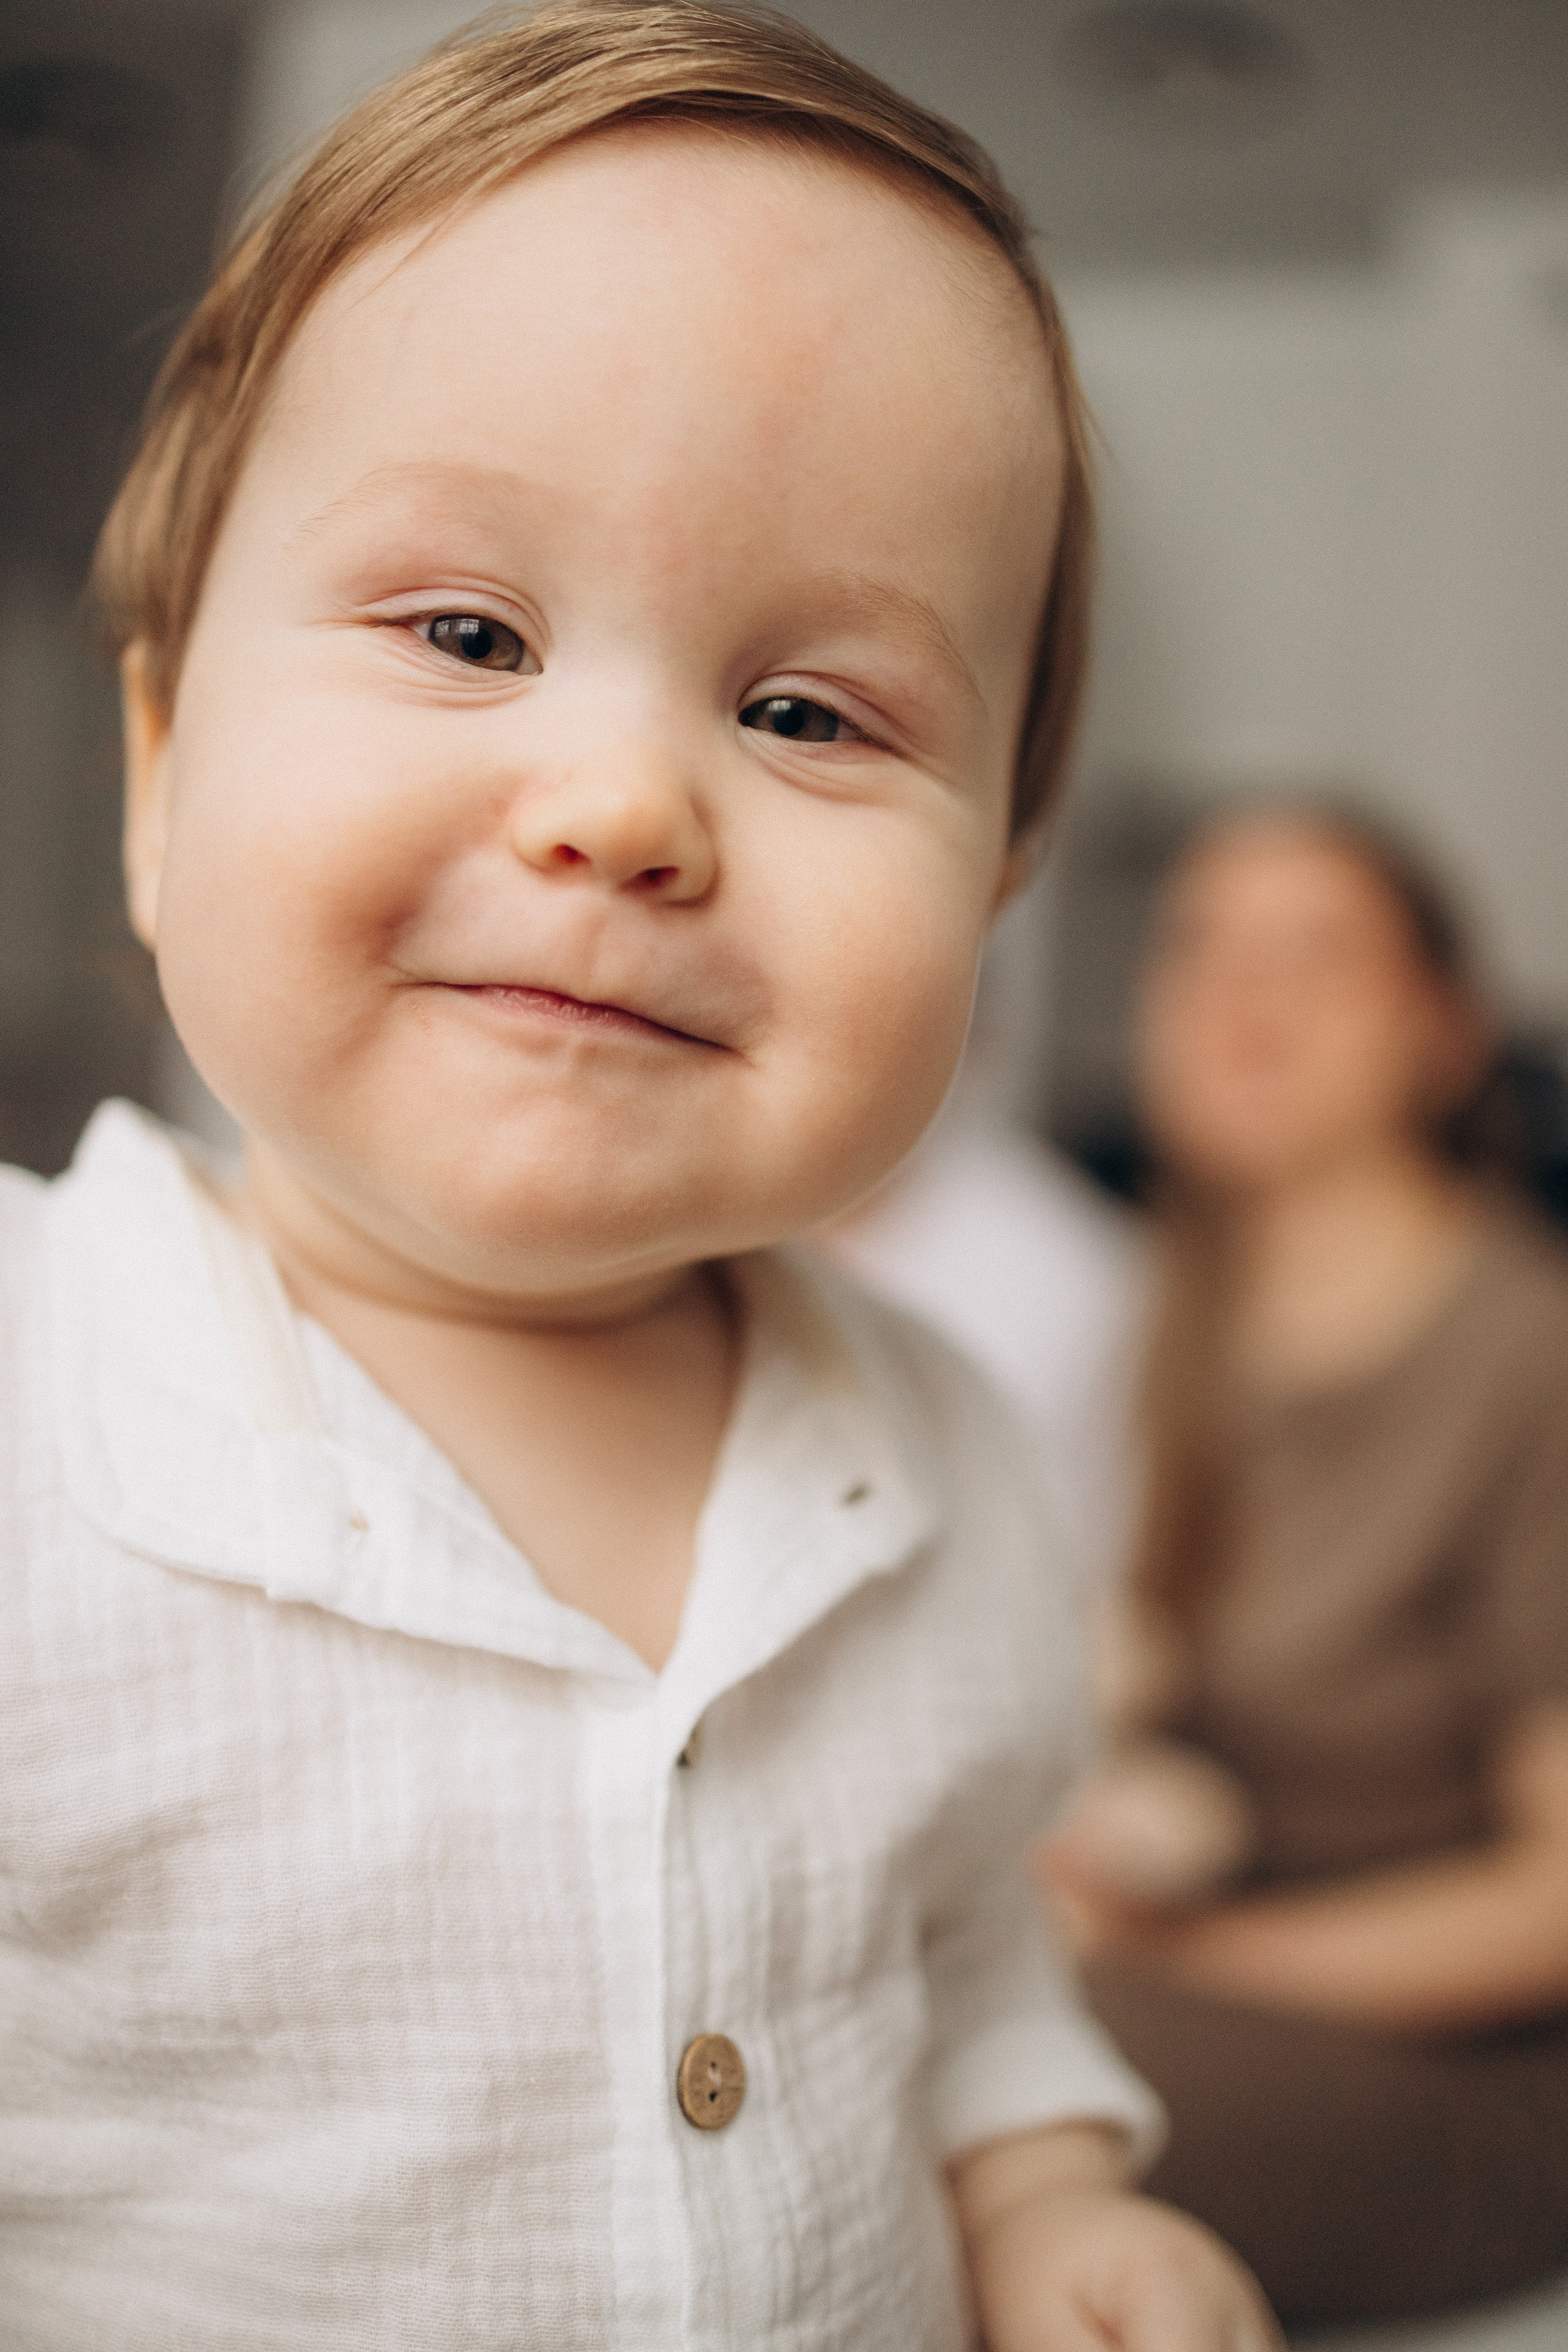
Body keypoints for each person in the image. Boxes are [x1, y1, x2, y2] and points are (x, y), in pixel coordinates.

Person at [0, 7, 1279, 2348]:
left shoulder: (944, 1458)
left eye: (808, 713)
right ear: (162, 768)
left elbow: (966, 1934)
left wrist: (1051, 2201)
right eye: (467, 633)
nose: (623, 803)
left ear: (994, 889)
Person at [1044, 803, 1568, 2325]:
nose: (1236, 999)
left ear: (1441, 1029)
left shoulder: (1526, 1360)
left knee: (980, 2078)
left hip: (1456, 2075)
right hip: (1183, 1960)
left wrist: (1186, 1955)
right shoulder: (1160, 1318)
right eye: (1196, 948)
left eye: (1311, 954)